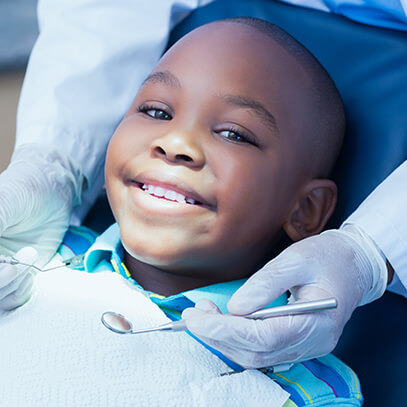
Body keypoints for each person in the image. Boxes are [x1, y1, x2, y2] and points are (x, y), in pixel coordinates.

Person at [0, 0, 406, 369]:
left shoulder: (299, 379)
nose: (176, 144)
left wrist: (369, 253)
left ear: (305, 210)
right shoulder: (22, 271)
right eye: (156, 111)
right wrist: (55, 161)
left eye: (233, 135)